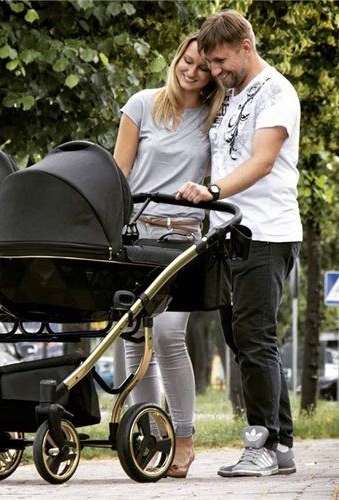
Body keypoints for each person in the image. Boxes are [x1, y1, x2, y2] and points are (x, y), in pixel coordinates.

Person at [177, 10, 301, 477]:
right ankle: (281, 444)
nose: (215, 71)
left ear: (246, 46)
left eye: (221, 61)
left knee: (254, 336)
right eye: (210, 62)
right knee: (243, 338)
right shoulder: (232, 95)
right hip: (229, 235)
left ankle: (261, 444)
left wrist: (213, 191)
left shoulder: (276, 92)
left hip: (265, 233)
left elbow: (263, 161)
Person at [113, 33, 225, 478]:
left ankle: (183, 438)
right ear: (177, 58)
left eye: (203, 67)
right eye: (187, 61)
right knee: (132, 337)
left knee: (168, 334)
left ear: (212, 76)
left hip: (181, 238)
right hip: (135, 233)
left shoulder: (214, 121)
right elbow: (118, 174)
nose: (191, 71)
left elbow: (218, 178)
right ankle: (148, 436)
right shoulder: (141, 105)